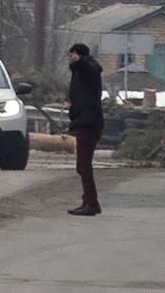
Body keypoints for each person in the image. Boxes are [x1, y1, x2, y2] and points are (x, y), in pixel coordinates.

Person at [67, 42, 105, 216]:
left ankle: (91, 202)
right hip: (84, 121)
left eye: (73, 55)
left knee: (84, 164)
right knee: (82, 165)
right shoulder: (79, 72)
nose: (70, 58)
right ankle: (87, 200)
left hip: (90, 122)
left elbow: (87, 68)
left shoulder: (89, 69)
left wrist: (80, 60)